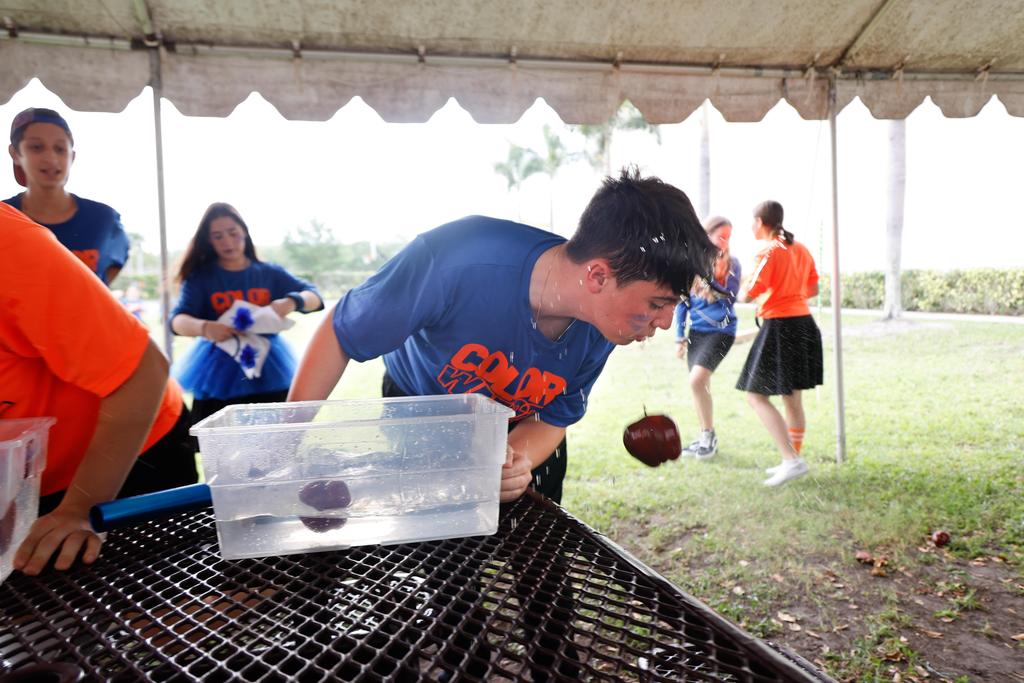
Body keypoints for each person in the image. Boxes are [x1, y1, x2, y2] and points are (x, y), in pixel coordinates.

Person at [288, 168, 717, 504]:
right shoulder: (458, 259)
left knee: (541, 562)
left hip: (523, 424)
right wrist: (284, 439)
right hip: (422, 410)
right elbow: (343, 332)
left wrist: (512, 464)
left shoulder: (602, 323)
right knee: (443, 555)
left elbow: (555, 416)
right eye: (658, 303)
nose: (665, 322)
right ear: (598, 276)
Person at [0, 203, 197, 576]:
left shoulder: (6, 243)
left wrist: (80, 509)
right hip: (26, 481)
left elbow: (143, 371)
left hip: (125, 456)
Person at [170, 202, 324, 426]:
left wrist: (293, 301)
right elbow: (177, 320)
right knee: (218, 438)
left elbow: (315, 297)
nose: (227, 242)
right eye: (218, 236)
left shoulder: (269, 273)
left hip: (271, 369)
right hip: (217, 374)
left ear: (245, 232)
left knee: (278, 435)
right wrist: (204, 328)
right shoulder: (200, 279)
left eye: (233, 233)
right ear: (209, 241)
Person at [735, 200, 823, 486]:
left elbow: (748, 293)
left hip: (781, 326)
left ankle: (791, 460)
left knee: (755, 396)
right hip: (804, 324)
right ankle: (792, 460)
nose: (751, 226)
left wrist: (748, 286)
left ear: (760, 222)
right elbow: (813, 288)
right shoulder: (801, 249)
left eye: (752, 221)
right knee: (792, 399)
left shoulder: (768, 252)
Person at [5, 107, 130, 286]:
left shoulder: (104, 219)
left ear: (72, 156)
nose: (51, 158)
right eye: (37, 147)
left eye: (60, 149)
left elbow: (110, 270)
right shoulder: (4, 219)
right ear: (15, 154)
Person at [674, 215, 740, 460]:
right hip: (697, 332)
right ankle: (705, 437)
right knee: (700, 386)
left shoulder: (732, 264)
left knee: (696, 381)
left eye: (728, 237)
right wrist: (679, 337)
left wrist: (706, 278)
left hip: (722, 331)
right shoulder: (690, 264)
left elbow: (730, 296)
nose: (725, 242)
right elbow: (683, 304)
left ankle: (708, 436)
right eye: (721, 236)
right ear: (707, 235)